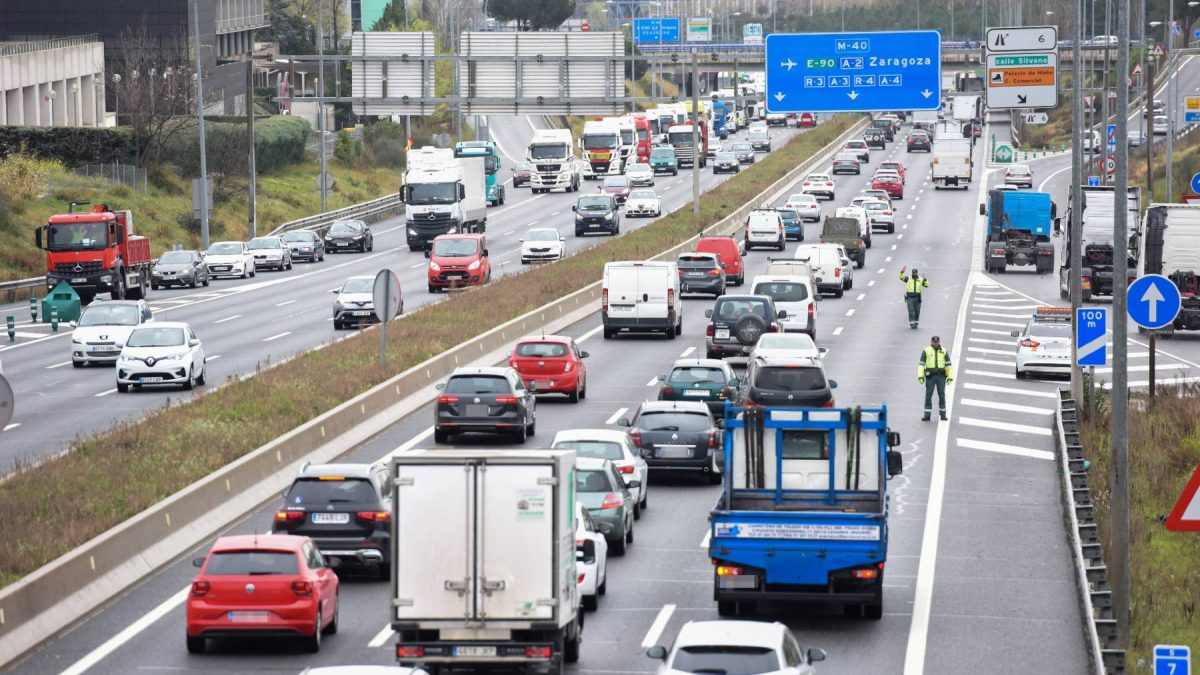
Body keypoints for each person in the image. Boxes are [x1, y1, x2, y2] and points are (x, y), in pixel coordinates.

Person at [918, 335, 953, 422]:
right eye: (934, 342)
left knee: (942, 395)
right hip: (931, 377)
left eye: (937, 342)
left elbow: (948, 365)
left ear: (939, 342)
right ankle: (927, 415)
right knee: (928, 395)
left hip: (941, 376)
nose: (936, 343)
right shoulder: (926, 351)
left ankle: (943, 415)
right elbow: (921, 364)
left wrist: (950, 377)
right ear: (931, 342)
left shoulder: (944, 351)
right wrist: (920, 376)